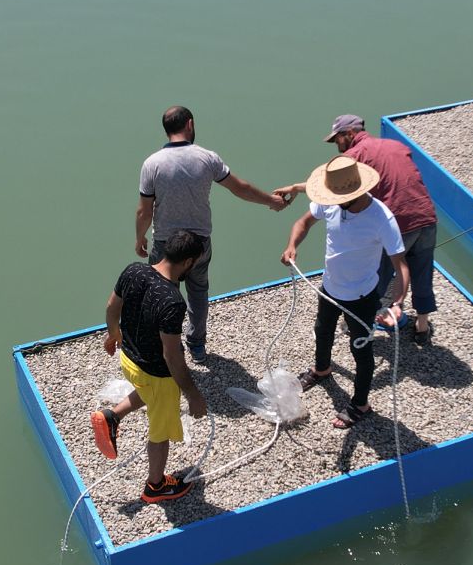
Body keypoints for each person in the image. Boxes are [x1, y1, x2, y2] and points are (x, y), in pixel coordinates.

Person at [135, 105, 289, 359]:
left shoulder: (152, 164)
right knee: (198, 291)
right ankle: (197, 344)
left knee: (161, 293)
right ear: (190, 124)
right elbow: (241, 188)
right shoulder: (207, 158)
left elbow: (144, 211)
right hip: (199, 243)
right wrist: (271, 201)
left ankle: (165, 346)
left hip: (165, 243)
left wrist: (139, 237)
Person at [274, 115, 438, 345]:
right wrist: (295, 188)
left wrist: (294, 188)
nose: (337, 147)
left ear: (349, 134)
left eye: (337, 140)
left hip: (396, 222)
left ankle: (360, 320)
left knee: (376, 275)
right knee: (422, 269)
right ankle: (422, 325)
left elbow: (329, 186)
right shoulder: (396, 145)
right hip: (426, 216)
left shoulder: (354, 157)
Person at [281, 157, 411, 429]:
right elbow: (302, 223)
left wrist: (397, 304)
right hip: (330, 286)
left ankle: (361, 404)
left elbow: (401, 265)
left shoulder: (381, 218)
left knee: (361, 352)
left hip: (362, 296)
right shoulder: (331, 202)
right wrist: (292, 245)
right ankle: (322, 369)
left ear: (354, 194)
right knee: (322, 329)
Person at [92, 229, 211, 504]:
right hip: (156, 374)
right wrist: (193, 394)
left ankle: (112, 416)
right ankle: (155, 487)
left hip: (128, 360)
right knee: (160, 432)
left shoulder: (134, 271)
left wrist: (113, 334)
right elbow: (171, 356)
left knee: (147, 392)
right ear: (189, 262)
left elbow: (111, 307)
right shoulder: (172, 301)